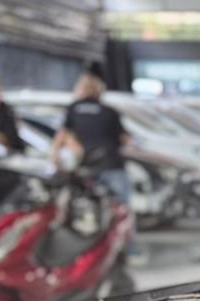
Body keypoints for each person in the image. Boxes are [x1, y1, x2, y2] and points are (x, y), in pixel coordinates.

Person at [51, 66, 143, 265]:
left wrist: (55, 158)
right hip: (112, 166)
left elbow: (62, 136)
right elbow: (125, 139)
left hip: (87, 169)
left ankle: (92, 255)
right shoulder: (109, 111)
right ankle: (131, 252)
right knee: (122, 211)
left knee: (87, 213)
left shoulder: (73, 109)